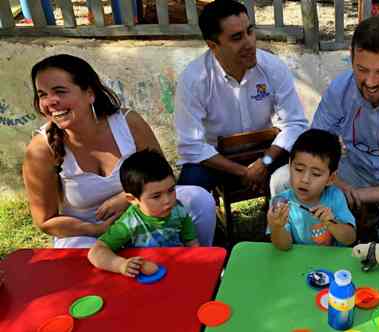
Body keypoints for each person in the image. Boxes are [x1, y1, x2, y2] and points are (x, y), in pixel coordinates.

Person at [273, 16, 379, 251]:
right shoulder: (341, 87)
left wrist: (356, 195)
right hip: (356, 171)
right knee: (283, 179)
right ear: (351, 56)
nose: (370, 82)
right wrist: (340, 184)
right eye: (361, 69)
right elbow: (316, 147)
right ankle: (299, 248)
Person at [22, 54, 216, 248]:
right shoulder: (41, 149)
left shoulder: (128, 123)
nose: (50, 101)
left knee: (199, 200)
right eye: (42, 95)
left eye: (60, 91)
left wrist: (125, 199)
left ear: (90, 93)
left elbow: (161, 176)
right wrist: (95, 230)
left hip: (145, 211)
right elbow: (45, 221)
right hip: (88, 232)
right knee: (84, 257)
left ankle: (202, 263)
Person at [174, 0, 308, 194]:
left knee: (305, 165)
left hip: (266, 154)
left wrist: (264, 163)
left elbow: (295, 123)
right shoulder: (194, 79)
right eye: (237, 37)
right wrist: (244, 172)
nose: (250, 43)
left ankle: (293, 221)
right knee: (189, 192)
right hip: (218, 161)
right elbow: (191, 146)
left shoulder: (272, 67)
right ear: (213, 45)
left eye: (250, 31)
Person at [88, 150, 199, 276]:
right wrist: (121, 265)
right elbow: (96, 252)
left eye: (171, 190)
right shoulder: (129, 224)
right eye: (156, 196)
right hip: (144, 279)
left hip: (177, 270)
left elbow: (192, 243)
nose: (168, 200)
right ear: (132, 199)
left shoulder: (178, 210)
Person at [268, 129, 356, 251]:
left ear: (331, 178)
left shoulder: (335, 196)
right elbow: (284, 246)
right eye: (298, 169)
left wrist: (331, 223)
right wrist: (276, 227)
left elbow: (350, 238)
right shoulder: (281, 202)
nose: (305, 179)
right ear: (290, 165)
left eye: (316, 174)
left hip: (332, 263)